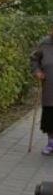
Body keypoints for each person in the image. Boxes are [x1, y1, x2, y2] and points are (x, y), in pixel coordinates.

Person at [31, 26, 53, 155]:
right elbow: (34, 59)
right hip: (49, 86)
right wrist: (37, 71)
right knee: (50, 116)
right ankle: (51, 143)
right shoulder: (44, 43)